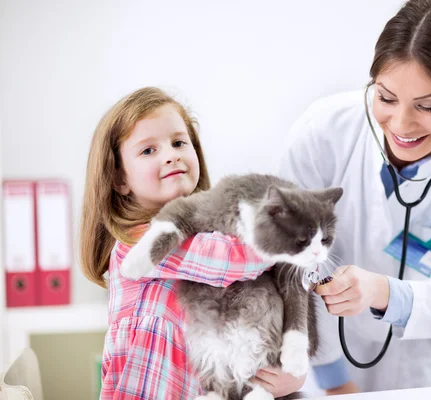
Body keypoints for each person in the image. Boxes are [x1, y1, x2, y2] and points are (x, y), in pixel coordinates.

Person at [278, 0, 431, 395]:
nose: (402, 124)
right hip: (325, 353)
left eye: (428, 106)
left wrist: (380, 291)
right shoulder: (323, 132)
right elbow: (288, 266)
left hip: (427, 356)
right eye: (386, 98)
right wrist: (335, 380)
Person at [79, 87, 305, 399]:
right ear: (119, 179)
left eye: (178, 142)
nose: (171, 155)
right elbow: (232, 261)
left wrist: (289, 375)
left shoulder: (204, 237)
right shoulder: (140, 242)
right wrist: (296, 238)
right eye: (148, 150)